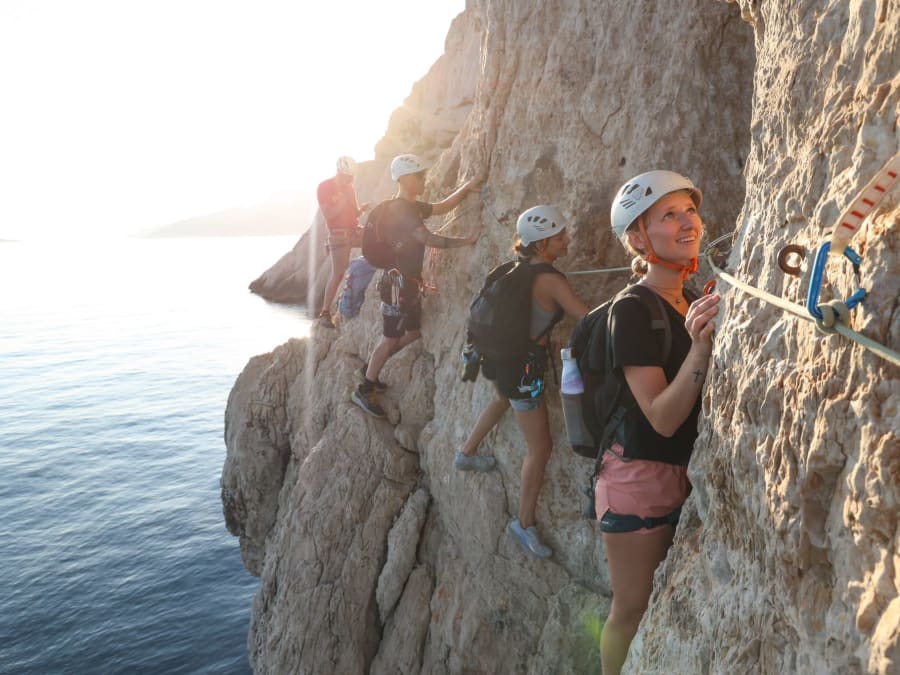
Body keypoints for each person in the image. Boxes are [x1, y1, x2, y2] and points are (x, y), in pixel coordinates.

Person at [598, 170, 720, 674]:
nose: (686, 222)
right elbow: (663, 418)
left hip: (680, 472)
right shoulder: (631, 310)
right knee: (630, 609)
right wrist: (700, 346)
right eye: (668, 216)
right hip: (638, 481)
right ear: (638, 238)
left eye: (688, 210)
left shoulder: (689, 299)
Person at [459, 205, 588, 560]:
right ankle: (524, 524)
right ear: (544, 243)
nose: (567, 239)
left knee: (502, 397)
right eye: (560, 235)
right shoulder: (550, 280)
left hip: (500, 362)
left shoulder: (509, 269)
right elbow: (587, 317)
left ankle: (465, 453)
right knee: (540, 448)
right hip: (523, 370)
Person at [351, 153, 482, 418]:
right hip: (397, 286)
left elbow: (442, 207)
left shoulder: (411, 206)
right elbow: (428, 238)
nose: (424, 179)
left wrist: (466, 187)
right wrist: (466, 241)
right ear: (407, 178)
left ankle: (372, 370)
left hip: (407, 284)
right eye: (420, 175)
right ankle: (365, 388)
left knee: (412, 332)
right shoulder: (402, 210)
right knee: (390, 339)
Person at [316, 156, 371, 328]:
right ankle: (325, 313)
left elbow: (353, 213)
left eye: (352, 177)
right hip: (338, 236)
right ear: (341, 172)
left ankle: (368, 282)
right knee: (338, 273)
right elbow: (328, 215)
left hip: (353, 231)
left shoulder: (349, 188)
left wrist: (361, 209)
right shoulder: (324, 187)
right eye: (349, 176)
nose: (351, 180)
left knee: (378, 240)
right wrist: (343, 202)